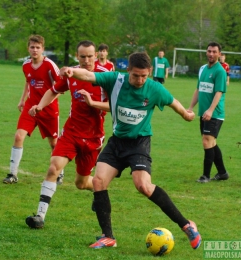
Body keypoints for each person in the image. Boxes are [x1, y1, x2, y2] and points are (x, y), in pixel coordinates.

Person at [60, 52, 202, 250]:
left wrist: (186, 114)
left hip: (139, 143)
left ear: (149, 73)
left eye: (144, 76)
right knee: (99, 181)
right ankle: (108, 237)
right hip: (117, 142)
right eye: (136, 75)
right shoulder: (115, 79)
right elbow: (88, 76)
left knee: (143, 185)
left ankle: (187, 225)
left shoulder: (154, 88)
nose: (140, 80)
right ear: (128, 71)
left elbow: (173, 102)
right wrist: (71, 71)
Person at [25, 40, 110, 229]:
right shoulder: (71, 74)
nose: (86, 60)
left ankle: (99, 190)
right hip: (71, 133)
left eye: (90, 56)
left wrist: (93, 104)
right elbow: (53, 90)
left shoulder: (105, 77)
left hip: (93, 138)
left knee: (81, 183)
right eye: (82, 56)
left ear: (96, 56)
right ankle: (40, 215)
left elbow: (115, 106)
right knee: (53, 168)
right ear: (76, 56)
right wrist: (40, 106)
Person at [2, 34, 64, 185]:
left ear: (43, 49)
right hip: (30, 107)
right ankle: (12, 174)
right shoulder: (25, 65)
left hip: (48, 109)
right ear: (28, 48)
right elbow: (28, 82)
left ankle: (59, 172)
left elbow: (61, 88)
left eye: (38, 47)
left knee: (54, 143)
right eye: (32, 47)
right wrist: (22, 100)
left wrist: (43, 104)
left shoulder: (50, 65)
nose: (35, 50)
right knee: (18, 136)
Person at [188, 42, 229, 183]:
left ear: (219, 54)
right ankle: (223, 173)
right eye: (209, 51)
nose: (211, 54)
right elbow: (198, 89)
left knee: (207, 141)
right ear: (206, 52)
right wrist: (191, 107)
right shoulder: (203, 69)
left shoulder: (220, 71)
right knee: (211, 142)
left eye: (214, 52)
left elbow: (219, 92)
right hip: (204, 113)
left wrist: (210, 110)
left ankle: (205, 176)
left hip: (215, 114)